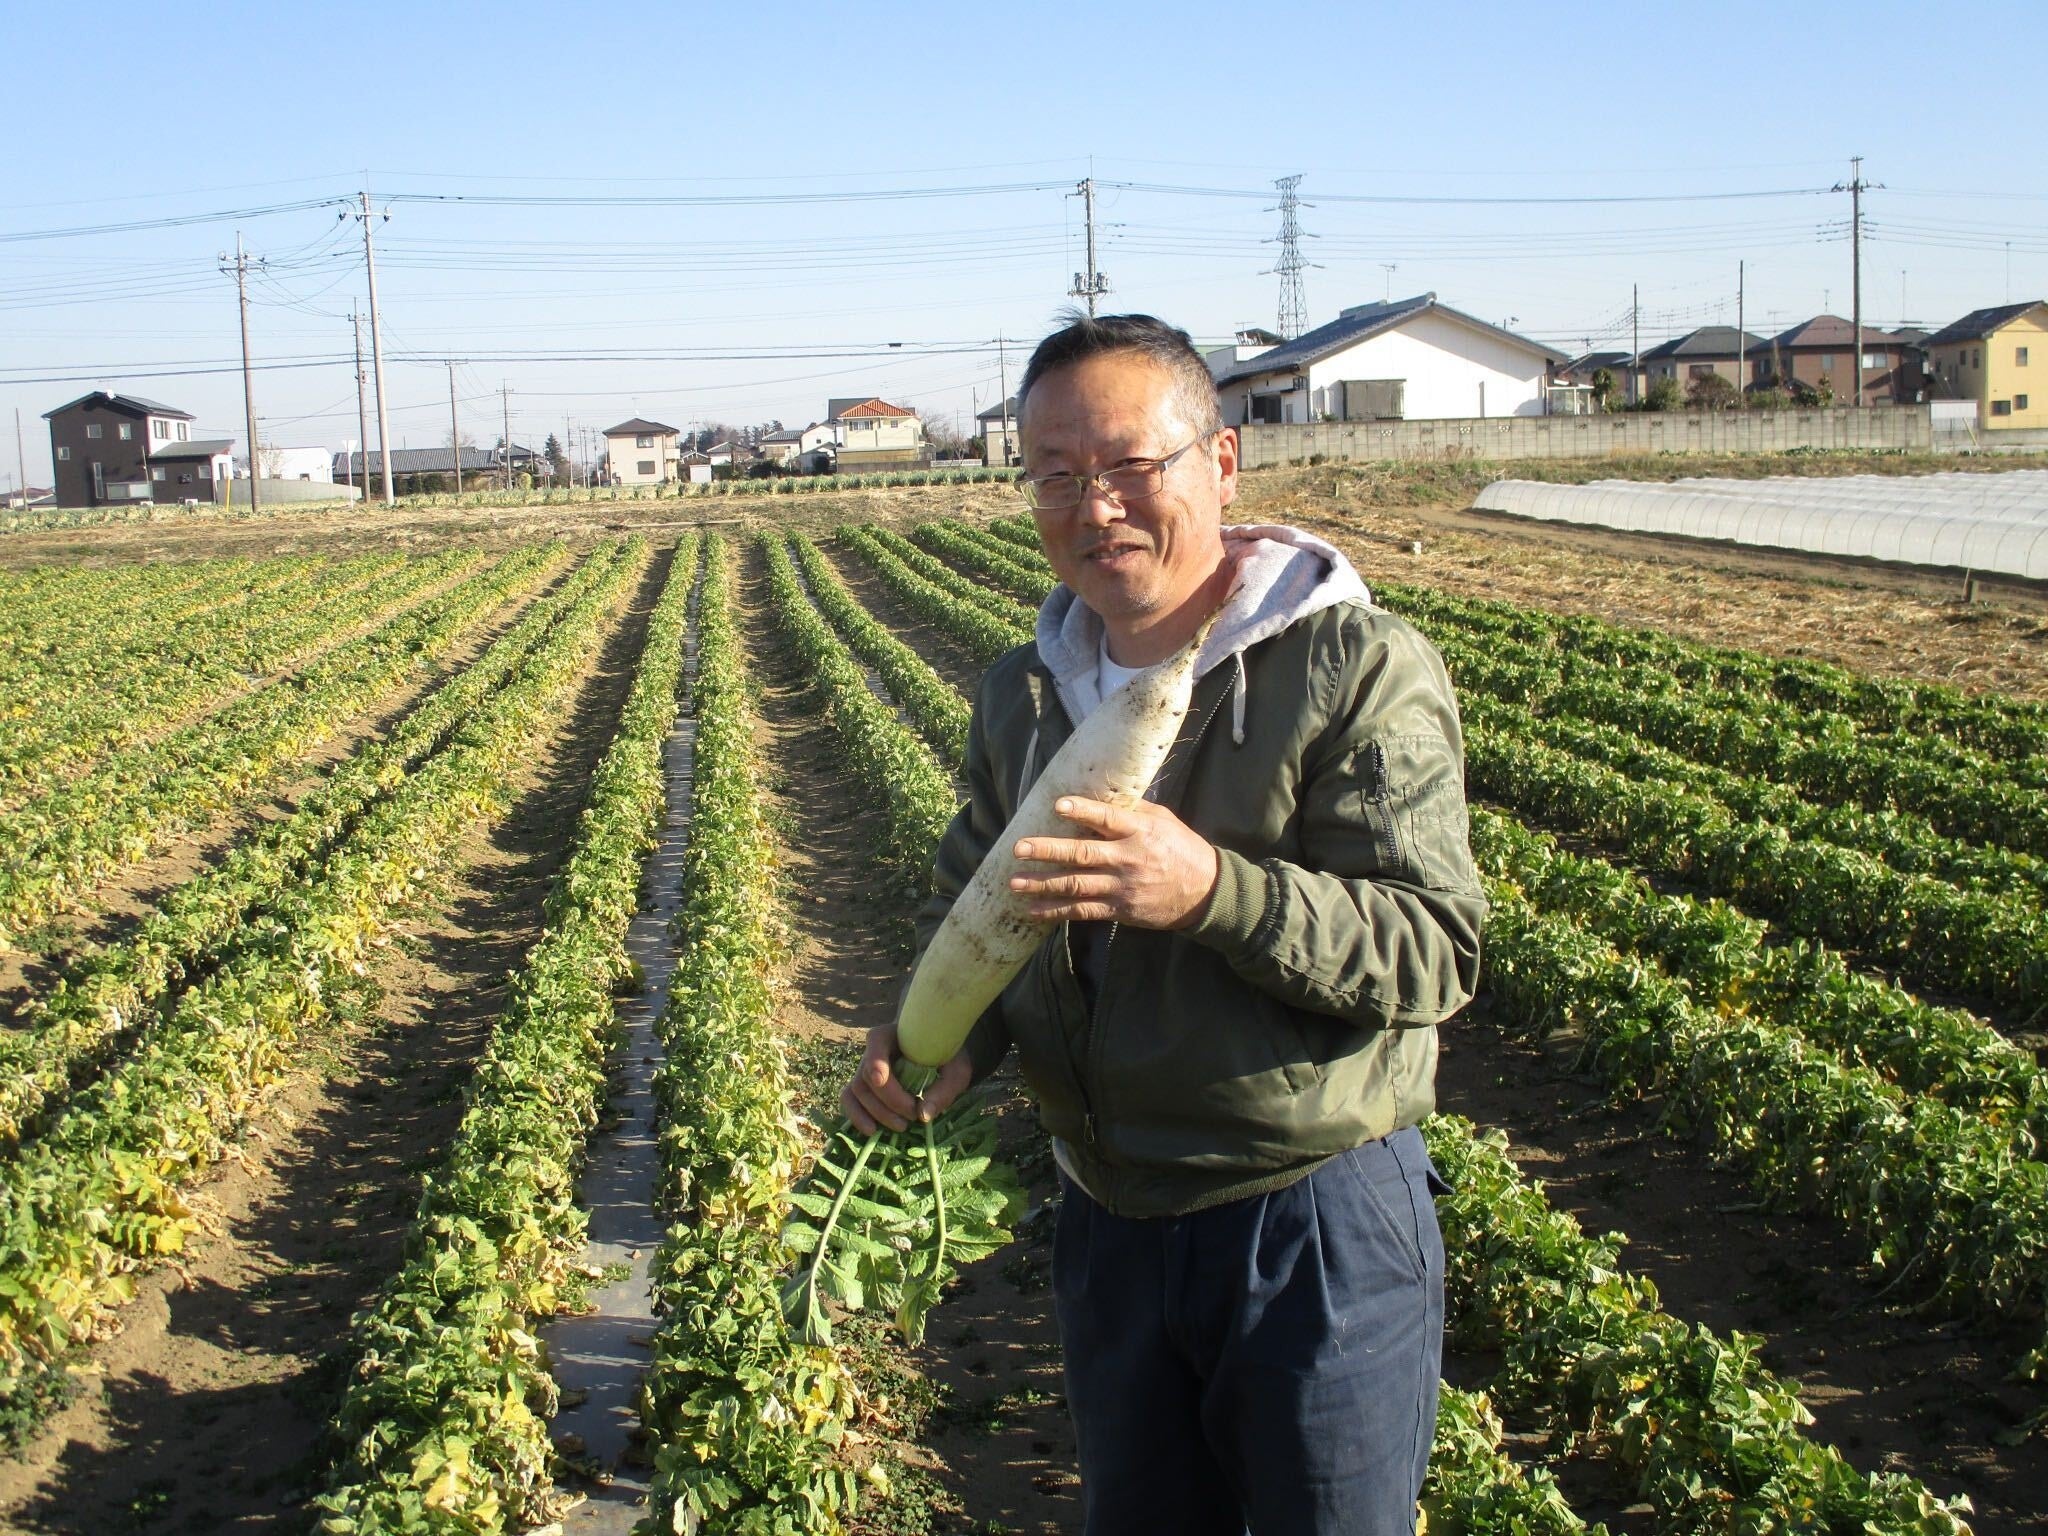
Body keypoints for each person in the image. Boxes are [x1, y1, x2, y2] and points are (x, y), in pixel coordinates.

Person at [843, 312, 1485, 1536]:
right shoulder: (1025, 691)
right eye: (1055, 476)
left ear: (1221, 462)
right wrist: (944, 1046)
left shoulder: (1349, 666)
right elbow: (971, 901)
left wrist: (1210, 893)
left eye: (1130, 465)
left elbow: (1431, 946)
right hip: (1107, 1220)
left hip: (1306, 1220)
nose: (1096, 508)